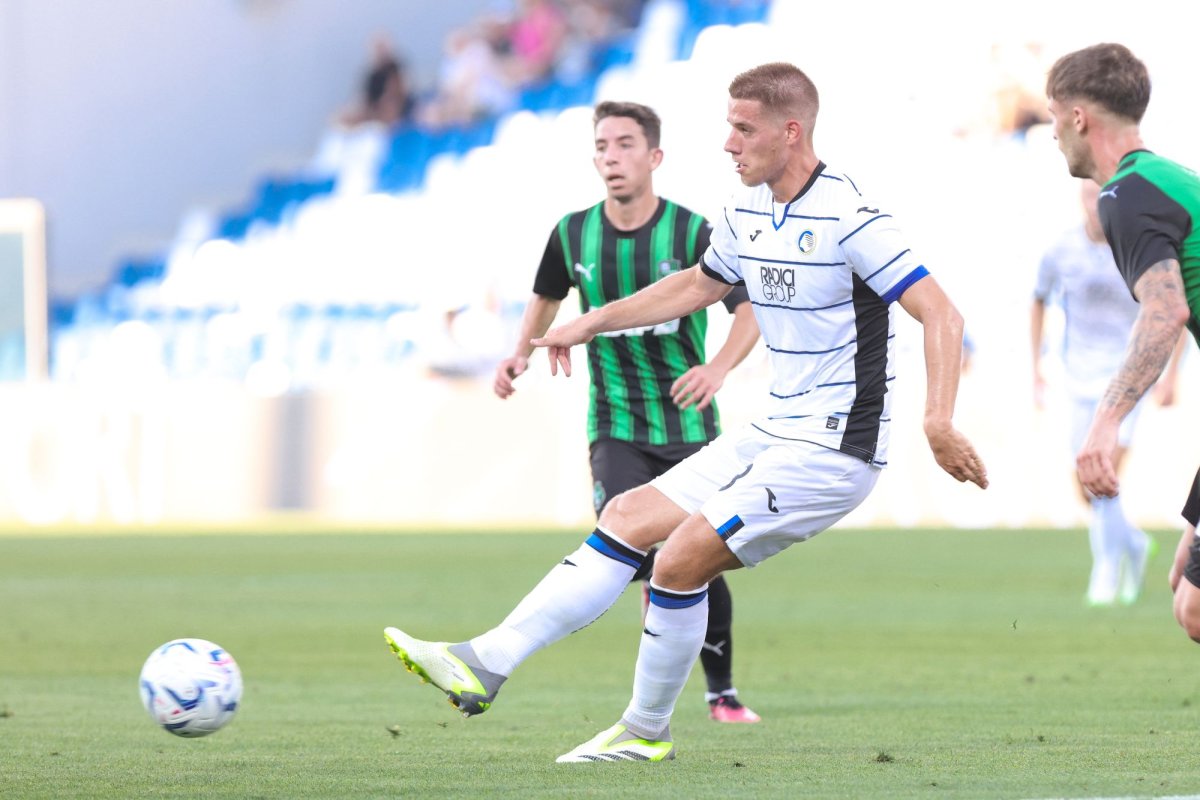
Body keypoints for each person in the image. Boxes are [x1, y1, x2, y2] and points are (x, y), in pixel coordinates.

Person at [385, 61, 988, 762]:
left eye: (743, 129)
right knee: (627, 517)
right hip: (773, 428)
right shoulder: (747, 211)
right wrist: (593, 321)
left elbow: (941, 312)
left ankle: (643, 731)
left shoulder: (851, 217)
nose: (728, 144)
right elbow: (700, 284)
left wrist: (938, 420)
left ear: (790, 133)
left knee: (679, 558)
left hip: (833, 448)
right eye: (727, 127)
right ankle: (484, 661)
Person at [492, 100, 762, 723]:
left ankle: (720, 690)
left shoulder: (694, 232)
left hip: (690, 427)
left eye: (624, 145)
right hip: (614, 423)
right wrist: (518, 355)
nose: (610, 157)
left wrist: (717, 367)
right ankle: (655, 680)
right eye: (602, 146)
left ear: (654, 156)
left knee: (699, 556)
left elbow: (747, 309)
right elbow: (546, 298)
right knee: (632, 539)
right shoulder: (572, 233)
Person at [1044, 43, 1200, 640]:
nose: (1053, 132)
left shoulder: (1125, 196)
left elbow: (1165, 312)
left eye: (1054, 115)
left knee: (1194, 606)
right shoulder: (1168, 179)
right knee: (1182, 574)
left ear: (1078, 117)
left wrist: (1106, 422)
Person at [1032, 179, 1180, 606]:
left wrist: (1170, 376)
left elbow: (1171, 305)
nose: (1094, 208)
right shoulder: (1061, 250)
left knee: (1105, 475)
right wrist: (1035, 370)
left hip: (1127, 379)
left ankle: (1107, 568)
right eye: (1086, 198)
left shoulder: (1137, 248)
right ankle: (1132, 545)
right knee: (1086, 485)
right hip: (1077, 378)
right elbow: (1037, 300)